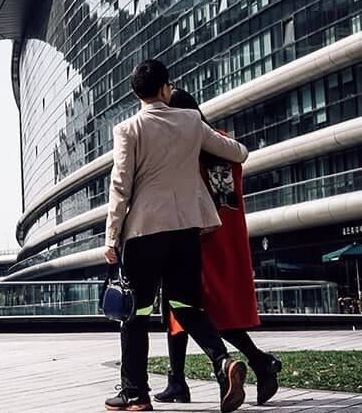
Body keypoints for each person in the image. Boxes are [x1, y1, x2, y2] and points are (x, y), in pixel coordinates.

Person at [104, 59, 249, 412]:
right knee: (186, 306)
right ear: (165, 88)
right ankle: (223, 362)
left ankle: (135, 394)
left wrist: (111, 238)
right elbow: (238, 153)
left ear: (136, 93)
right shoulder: (191, 121)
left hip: (144, 232)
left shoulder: (128, 129)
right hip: (186, 230)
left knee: (136, 313)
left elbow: (120, 187)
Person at [154, 88, 282, 407]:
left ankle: (257, 361)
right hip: (228, 234)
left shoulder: (189, 145)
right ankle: (177, 380)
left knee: (193, 308)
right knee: (188, 308)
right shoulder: (222, 142)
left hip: (198, 236)